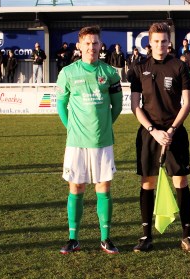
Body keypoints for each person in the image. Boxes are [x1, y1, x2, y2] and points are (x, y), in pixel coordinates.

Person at [130, 22, 190, 253]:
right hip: (149, 134)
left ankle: (186, 236)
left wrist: (170, 131)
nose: (160, 45)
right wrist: (153, 131)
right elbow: (135, 106)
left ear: (170, 43)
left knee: (180, 181)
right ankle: (146, 235)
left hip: (174, 133)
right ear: (149, 42)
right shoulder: (139, 67)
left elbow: (187, 103)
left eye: (164, 41)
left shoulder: (180, 67)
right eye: (156, 41)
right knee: (148, 182)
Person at [56, 25, 123, 255]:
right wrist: (71, 128)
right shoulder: (67, 73)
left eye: (95, 43)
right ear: (79, 46)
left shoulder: (111, 73)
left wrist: (103, 126)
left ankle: (105, 238)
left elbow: (118, 106)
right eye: (87, 43)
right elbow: (60, 105)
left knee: (103, 188)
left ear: (100, 45)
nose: (91, 47)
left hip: (102, 140)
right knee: (76, 187)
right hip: (76, 142)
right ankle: (73, 238)